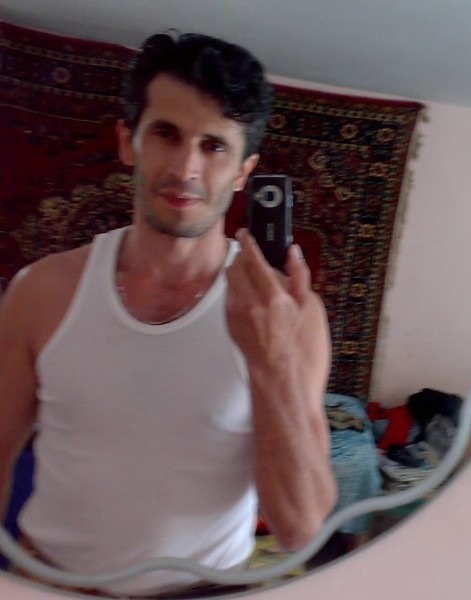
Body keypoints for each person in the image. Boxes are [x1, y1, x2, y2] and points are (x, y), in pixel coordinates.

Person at [0, 31, 336, 597]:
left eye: (215, 146)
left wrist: (272, 359)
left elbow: (301, 528)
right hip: (49, 582)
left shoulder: (288, 315)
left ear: (244, 171)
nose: (186, 167)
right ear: (128, 142)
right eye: (166, 134)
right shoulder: (42, 292)